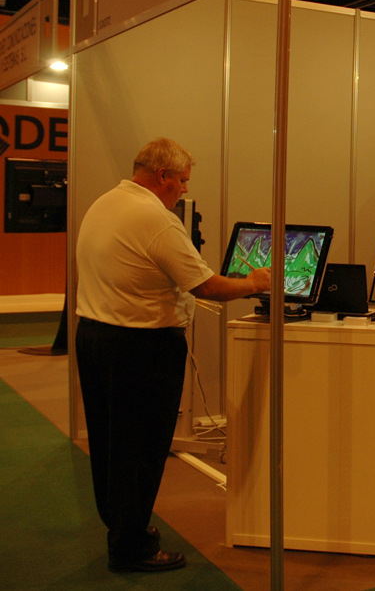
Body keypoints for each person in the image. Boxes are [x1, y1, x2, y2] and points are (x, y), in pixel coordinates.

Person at [76, 139, 272, 573]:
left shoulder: (105, 203)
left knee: (112, 445)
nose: (184, 189)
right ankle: (130, 548)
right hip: (140, 347)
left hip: (94, 337)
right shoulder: (156, 219)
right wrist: (256, 283)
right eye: (182, 181)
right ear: (162, 176)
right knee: (142, 448)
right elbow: (207, 286)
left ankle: (124, 526)